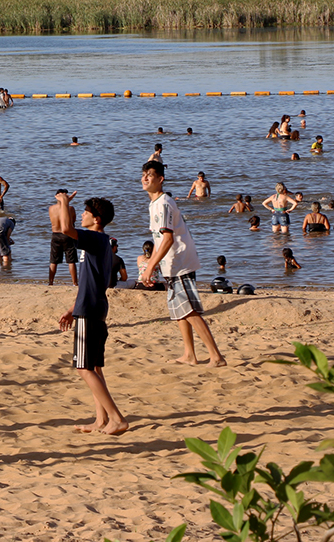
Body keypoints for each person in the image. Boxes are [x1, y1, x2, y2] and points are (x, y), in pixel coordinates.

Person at [139, 160, 226, 367]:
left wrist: (150, 265)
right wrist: (156, 264)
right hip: (171, 263)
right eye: (143, 174)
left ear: (160, 179)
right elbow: (161, 239)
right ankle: (189, 354)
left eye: (149, 175)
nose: (144, 178)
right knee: (179, 310)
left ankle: (216, 356)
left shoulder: (164, 203)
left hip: (180, 262)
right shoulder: (155, 203)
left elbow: (168, 239)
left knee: (188, 310)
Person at [56, 195, 128, 435]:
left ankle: (116, 418)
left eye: (85, 213)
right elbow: (89, 282)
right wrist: (71, 309)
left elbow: (65, 228)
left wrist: (63, 202)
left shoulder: (96, 239)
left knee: (83, 368)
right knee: (95, 367)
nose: (82, 216)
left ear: (96, 219)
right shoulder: (101, 242)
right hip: (91, 307)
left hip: (90, 310)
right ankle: (101, 420)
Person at [48, 189, 78, 286]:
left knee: (53, 261)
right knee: (71, 261)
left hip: (55, 234)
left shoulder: (51, 208)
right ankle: (74, 283)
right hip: (68, 235)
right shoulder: (71, 208)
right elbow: (73, 220)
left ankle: (50, 282)